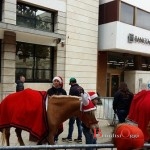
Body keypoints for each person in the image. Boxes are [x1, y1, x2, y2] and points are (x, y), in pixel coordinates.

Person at [62, 77, 84, 143]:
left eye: (70, 83)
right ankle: (80, 138)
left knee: (71, 123)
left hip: (74, 109)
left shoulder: (72, 88)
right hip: (80, 108)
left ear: (71, 82)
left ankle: (69, 138)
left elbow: (71, 99)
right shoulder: (81, 88)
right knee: (79, 124)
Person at [47, 76, 67, 143]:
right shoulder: (49, 91)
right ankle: (50, 138)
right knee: (51, 126)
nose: (56, 82)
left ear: (60, 82)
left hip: (60, 112)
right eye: (55, 81)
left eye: (57, 81)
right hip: (51, 112)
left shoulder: (63, 91)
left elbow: (65, 102)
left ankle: (56, 138)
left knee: (59, 128)